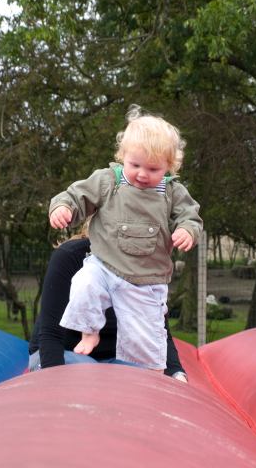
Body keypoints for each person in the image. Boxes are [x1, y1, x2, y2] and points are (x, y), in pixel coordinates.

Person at [48, 104, 202, 371]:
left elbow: (190, 216)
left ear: (169, 166)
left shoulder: (172, 193)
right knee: (84, 284)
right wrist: (63, 208)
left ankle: (150, 372)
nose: (142, 174)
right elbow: (76, 196)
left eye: (153, 169)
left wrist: (186, 230)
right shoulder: (108, 181)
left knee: (143, 337)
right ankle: (89, 331)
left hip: (145, 280)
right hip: (104, 265)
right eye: (135, 165)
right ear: (123, 156)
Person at [27, 237, 188, 382]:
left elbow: (158, 330)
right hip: (62, 353)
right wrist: (53, 380)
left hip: (114, 360)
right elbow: (50, 334)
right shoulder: (71, 256)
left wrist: (176, 373)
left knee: (145, 380)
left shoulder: (144, 265)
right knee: (89, 375)